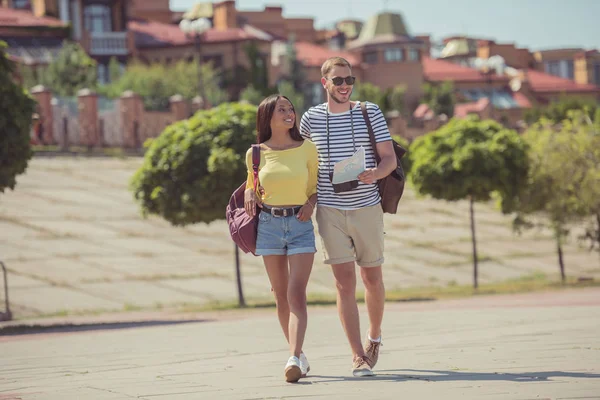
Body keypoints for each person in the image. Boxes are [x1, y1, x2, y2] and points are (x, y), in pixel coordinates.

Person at [299, 57, 397, 377]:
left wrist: (375, 173)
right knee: (344, 284)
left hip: (367, 207)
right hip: (329, 210)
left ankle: (374, 337)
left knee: (372, 278)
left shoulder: (369, 111)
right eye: (338, 80)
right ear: (324, 82)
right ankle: (357, 355)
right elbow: (302, 161)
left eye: (349, 80)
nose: (344, 86)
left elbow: (389, 160)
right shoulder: (311, 118)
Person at [244, 94, 319, 383]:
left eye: (291, 108)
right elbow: (253, 184)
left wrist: (311, 205)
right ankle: (298, 355)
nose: (289, 113)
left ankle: (293, 357)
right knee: (280, 296)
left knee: (295, 293)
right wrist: (250, 191)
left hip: (300, 224)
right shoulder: (255, 153)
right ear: (268, 117)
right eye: (282, 110)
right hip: (269, 225)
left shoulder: (307, 149)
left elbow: (314, 188)